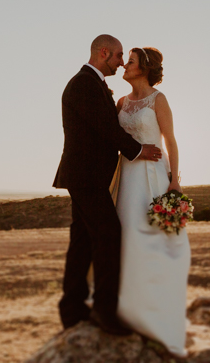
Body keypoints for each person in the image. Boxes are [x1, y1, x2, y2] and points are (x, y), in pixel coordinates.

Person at [53, 34, 163, 336]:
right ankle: (104, 311)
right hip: (86, 176)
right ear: (104, 53)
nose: (120, 62)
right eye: (117, 57)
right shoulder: (84, 84)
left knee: (82, 240)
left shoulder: (93, 83)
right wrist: (138, 151)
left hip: (88, 176)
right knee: (108, 234)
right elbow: (105, 128)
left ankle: (73, 309)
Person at [115, 47, 190, 357]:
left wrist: (174, 180)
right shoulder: (119, 102)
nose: (124, 65)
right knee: (128, 235)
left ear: (143, 68)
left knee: (157, 240)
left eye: (130, 61)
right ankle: (131, 309)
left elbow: (170, 140)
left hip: (154, 176)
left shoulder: (159, 100)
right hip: (127, 177)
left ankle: (161, 308)